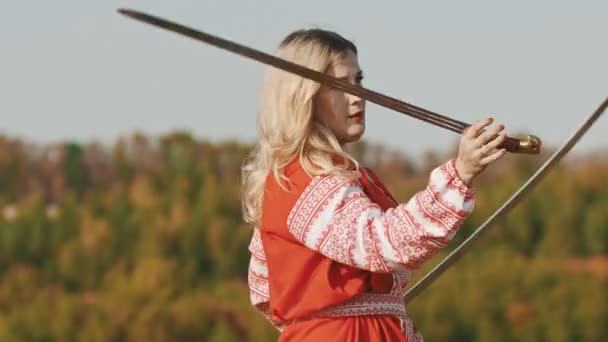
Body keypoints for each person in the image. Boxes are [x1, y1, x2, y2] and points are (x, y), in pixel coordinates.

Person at [241, 28, 506, 341]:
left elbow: (264, 287)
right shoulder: (301, 179)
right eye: (340, 85)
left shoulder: (318, 177)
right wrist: (459, 175)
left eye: (359, 81)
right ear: (302, 96)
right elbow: (384, 243)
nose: (358, 97)